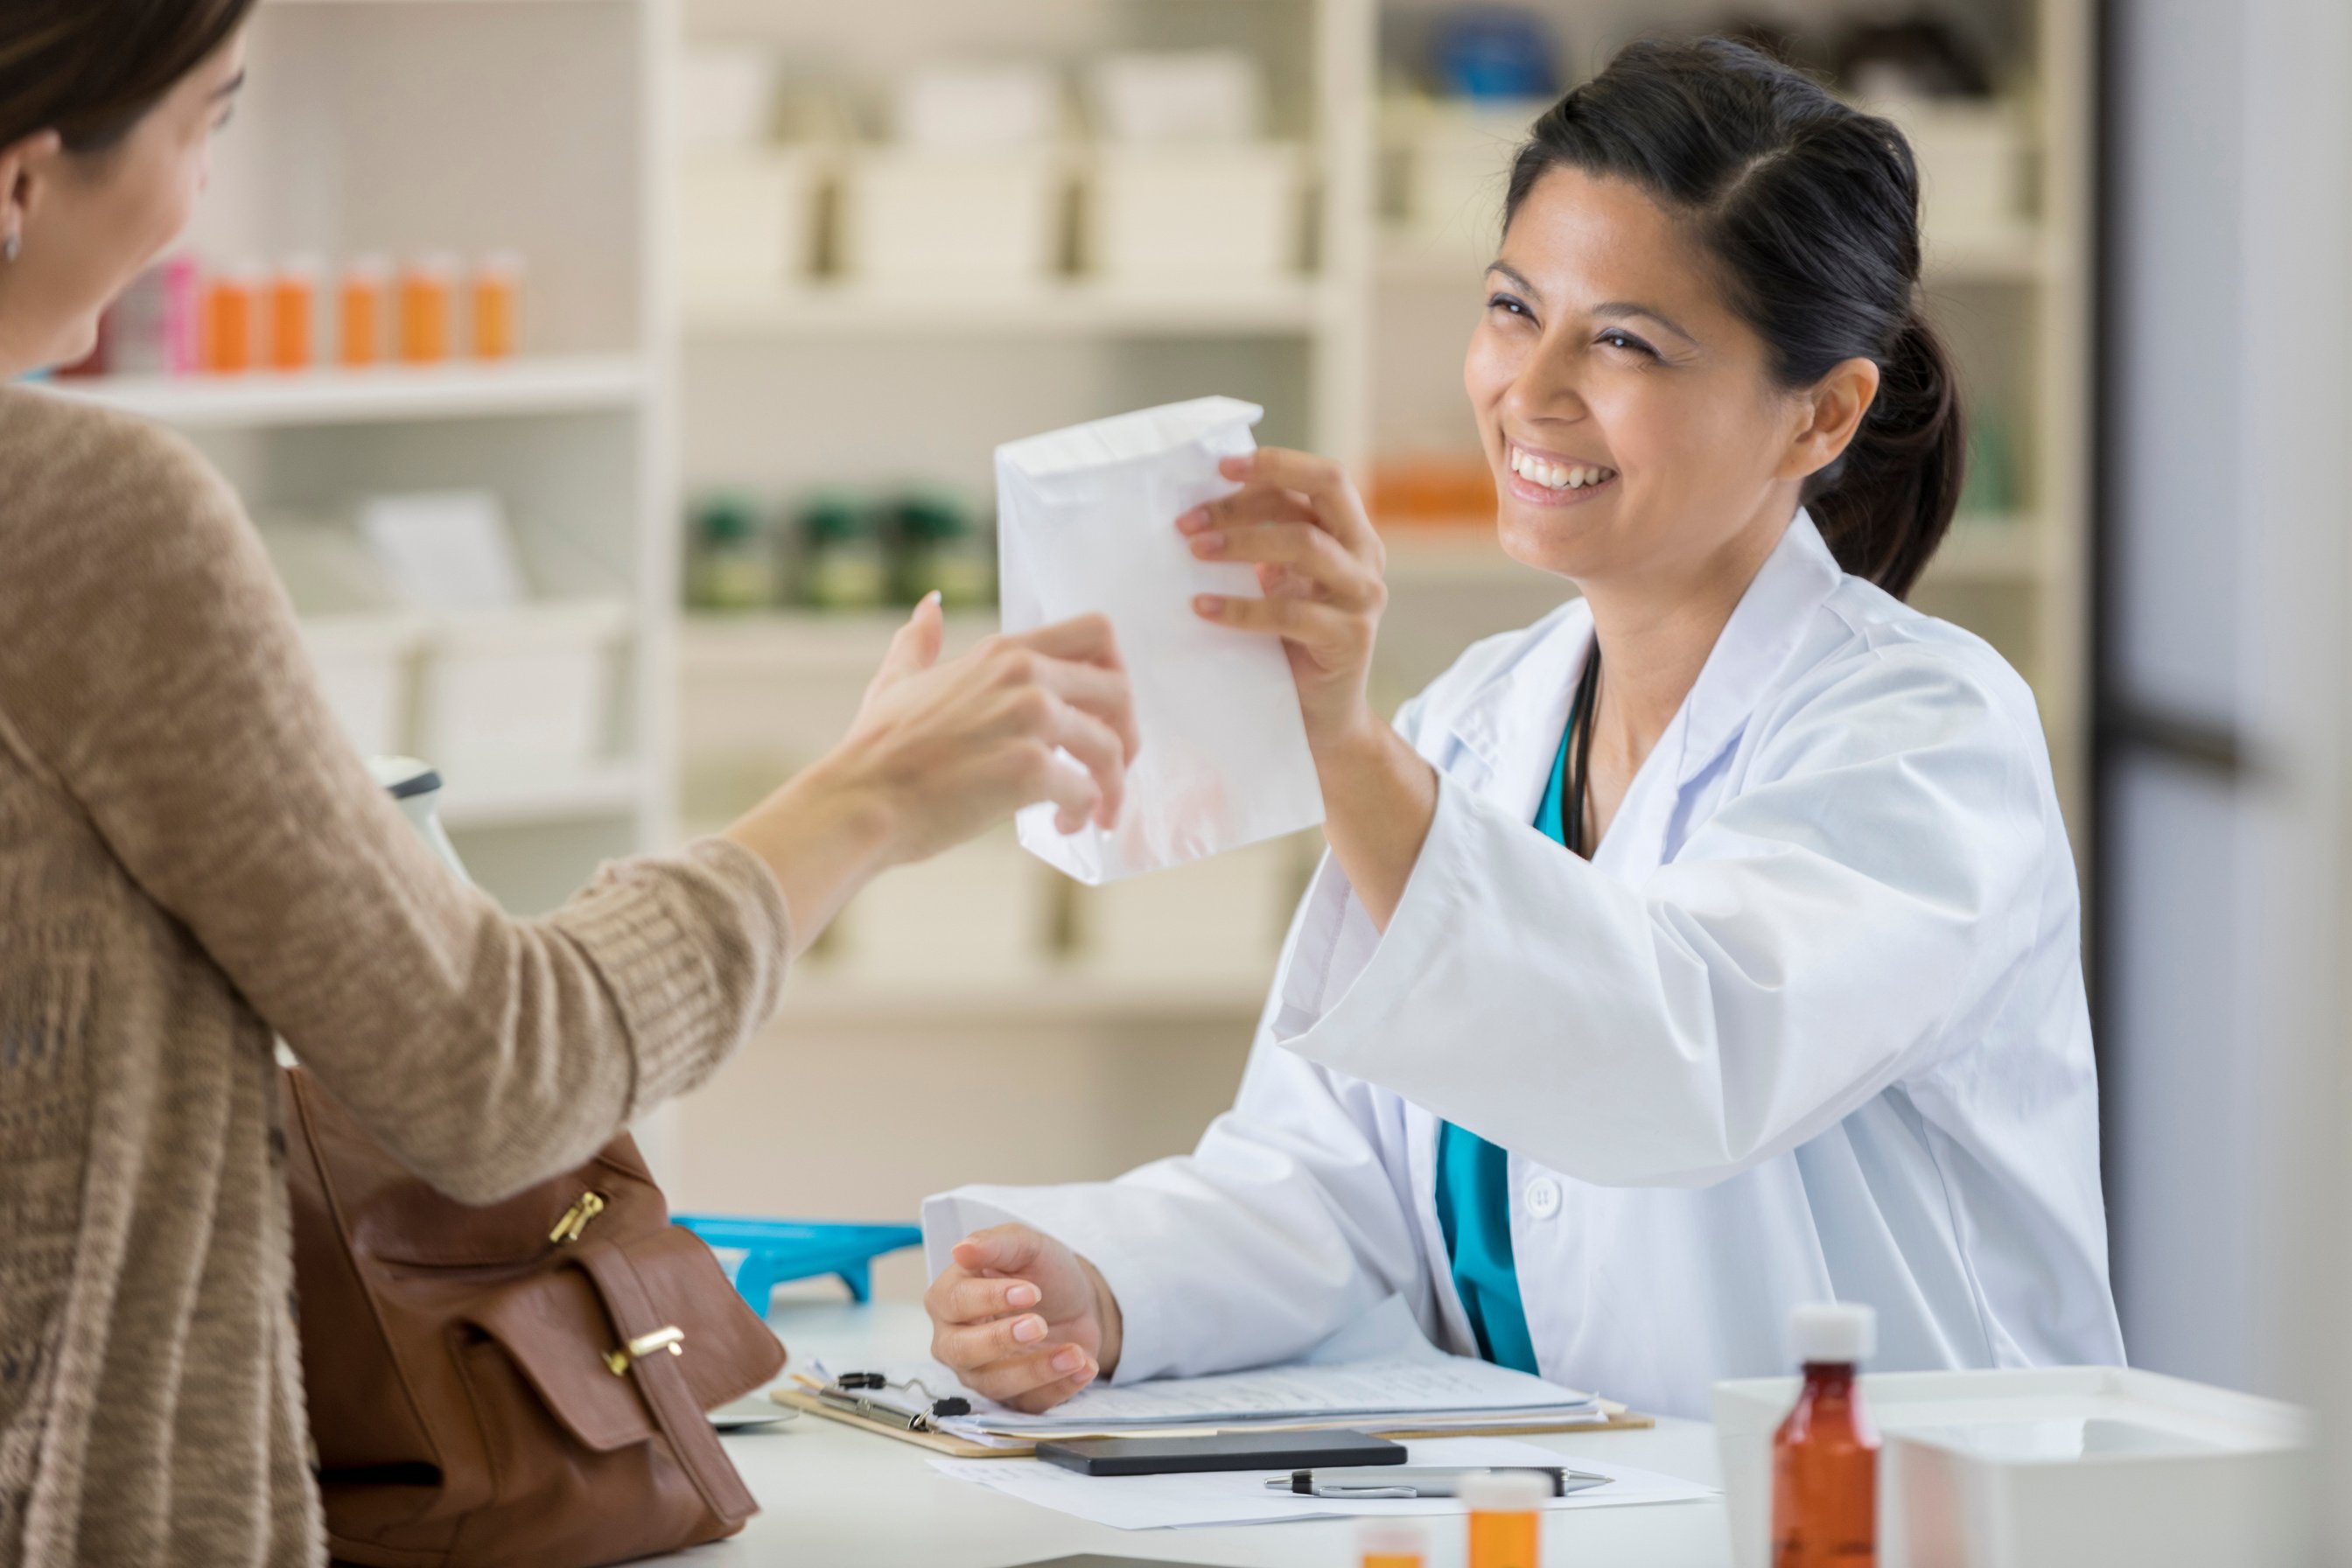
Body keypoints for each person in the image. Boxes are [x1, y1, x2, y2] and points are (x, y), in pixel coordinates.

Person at [0, 4, 1137, 1564]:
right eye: (208, 124)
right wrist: (865, 799)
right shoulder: (81, 524)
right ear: (24, 177)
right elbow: (489, 1073)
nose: (198, 195)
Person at [922, 38, 2125, 1421]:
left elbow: (1677, 1060)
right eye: (1513, 307)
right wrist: (1105, 1289)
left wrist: (1343, 745)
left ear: (1824, 412)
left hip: (1891, 1521)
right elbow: (1332, 1180)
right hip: (1568, 1506)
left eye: (1624, 340)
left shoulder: (1927, 735)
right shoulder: (1486, 723)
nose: (1532, 390)